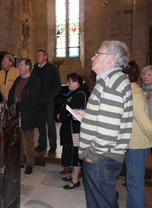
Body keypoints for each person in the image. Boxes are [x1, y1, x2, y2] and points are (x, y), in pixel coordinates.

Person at [74, 40, 133, 208]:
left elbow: (108, 130)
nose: (93, 57)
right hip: (104, 156)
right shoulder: (112, 81)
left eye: (97, 54)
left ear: (110, 58)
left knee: (101, 204)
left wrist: (92, 156)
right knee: (100, 202)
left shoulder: (112, 83)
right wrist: (88, 115)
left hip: (101, 157)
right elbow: (110, 116)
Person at [123, 59, 152, 208]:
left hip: (137, 145)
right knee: (134, 184)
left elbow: (144, 122)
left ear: (126, 76)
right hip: (133, 143)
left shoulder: (134, 93)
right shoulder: (132, 90)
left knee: (134, 185)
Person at [8, 58, 40, 175]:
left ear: (27, 67)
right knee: (18, 139)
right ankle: (20, 161)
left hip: (27, 114)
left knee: (28, 141)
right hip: (16, 114)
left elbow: (33, 99)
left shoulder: (34, 81)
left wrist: (20, 109)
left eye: (21, 65)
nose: (19, 67)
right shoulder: (18, 79)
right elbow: (11, 93)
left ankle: (30, 164)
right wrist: (11, 106)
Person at [57, 73, 89, 190]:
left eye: (69, 81)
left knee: (75, 154)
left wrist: (62, 116)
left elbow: (75, 110)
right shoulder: (75, 92)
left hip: (76, 129)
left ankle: (75, 180)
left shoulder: (81, 93)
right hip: (70, 127)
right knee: (72, 153)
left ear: (76, 82)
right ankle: (73, 175)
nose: (68, 84)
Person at [32, 49, 61, 155]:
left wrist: (51, 96)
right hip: (38, 100)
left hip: (48, 100)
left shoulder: (52, 69)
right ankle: (42, 144)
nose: (37, 57)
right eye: (36, 55)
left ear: (45, 57)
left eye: (39, 55)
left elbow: (57, 85)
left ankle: (53, 146)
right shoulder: (35, 69)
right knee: (40, 124)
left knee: (50, 123)